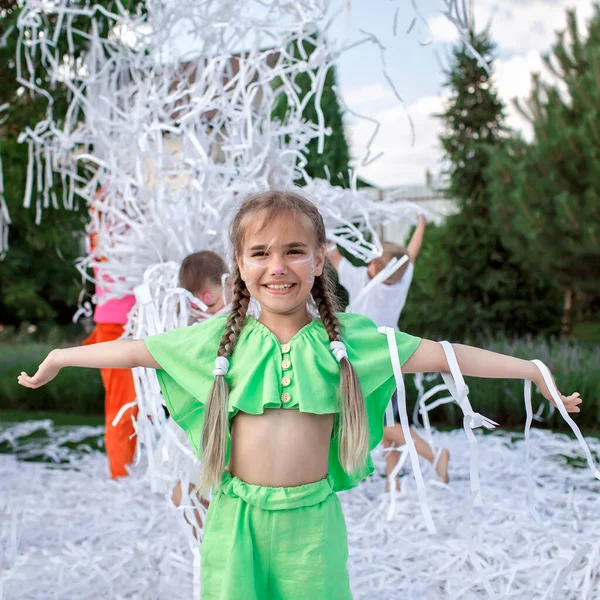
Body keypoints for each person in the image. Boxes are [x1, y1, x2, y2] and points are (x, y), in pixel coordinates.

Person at [18, 190, 582, 599]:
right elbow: (139, 351)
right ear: (239, 265)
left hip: (311, 524)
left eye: (294, 251)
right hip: (235, 520)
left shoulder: (353, 341)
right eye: (260, 253)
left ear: (319, 260)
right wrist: (62, 356)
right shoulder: (220, 339)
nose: (277, 266)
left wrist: (532, 371)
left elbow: (444, 354)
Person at [328, 216, 449, 489]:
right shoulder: (401, 281)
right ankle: (392, 481)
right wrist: (420, 225)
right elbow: (411, 254)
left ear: (374, 265)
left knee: (381, 424)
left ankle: (435, 455)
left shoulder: (360, 280)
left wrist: (325, 229)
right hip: (395, 356)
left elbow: (333, 255)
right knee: (390, 419)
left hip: (368, 361)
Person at [156, 250, 231, 536]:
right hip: (195, 422)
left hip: (216, 421)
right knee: (183, 491)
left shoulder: (234, 320)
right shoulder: (192, 327)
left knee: (196, 490)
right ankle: (212, 541)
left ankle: (216, 541)